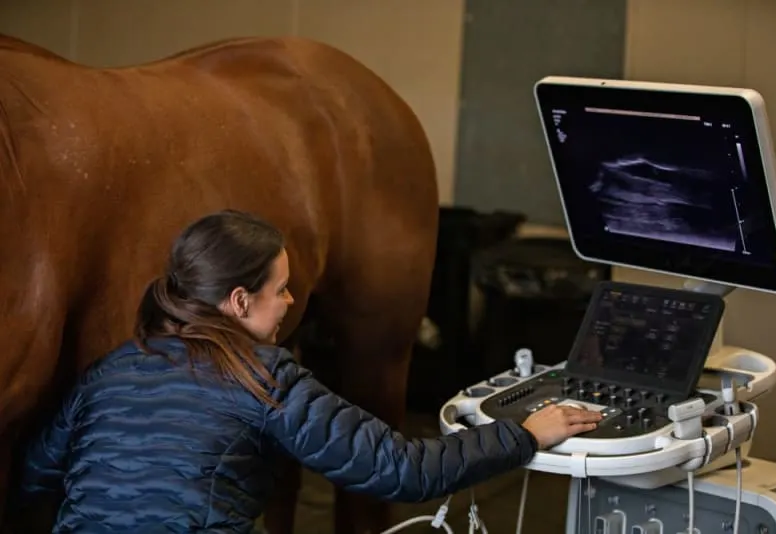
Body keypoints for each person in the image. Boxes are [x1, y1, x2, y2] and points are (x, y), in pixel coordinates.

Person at [13, 209, 602, 533]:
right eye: (283, 289)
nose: (293, 303)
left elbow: (34, 475)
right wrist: (526, 433)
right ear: (240, 302)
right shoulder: (263, 376)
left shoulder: (109, 370)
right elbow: (399, 470)